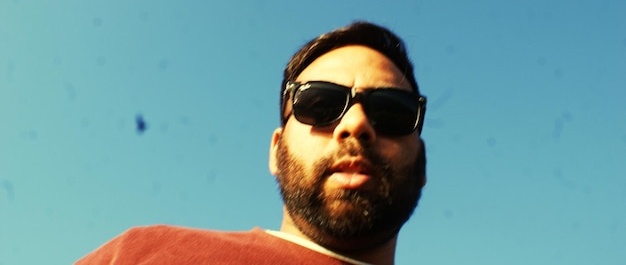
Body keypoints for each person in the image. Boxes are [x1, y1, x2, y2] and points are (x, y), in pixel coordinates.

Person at [75, 21, 427, 265]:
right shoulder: (139, 254)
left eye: (392, 111)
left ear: (422, 162)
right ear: (276, 149)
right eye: (319, 104)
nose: (355, 124)